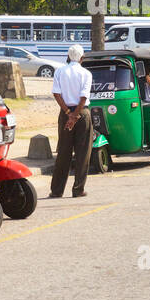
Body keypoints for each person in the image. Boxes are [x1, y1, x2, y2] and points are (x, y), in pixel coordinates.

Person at [49, 44, 94, 199]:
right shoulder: (86, 73)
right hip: (82, 113)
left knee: (63, 152)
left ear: (68, 57)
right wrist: (75, 115)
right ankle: (78, 189)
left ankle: (57, 190)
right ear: (82, 58)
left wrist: (68, 114)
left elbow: (56, 94)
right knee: (83, 153)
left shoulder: (60, 71)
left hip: (65, 113)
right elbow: (83, 97)